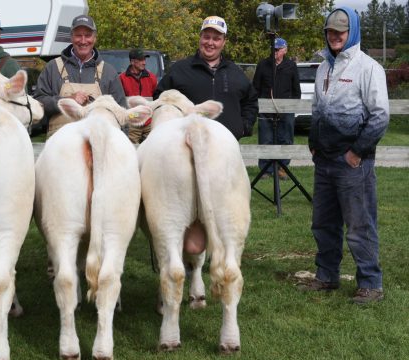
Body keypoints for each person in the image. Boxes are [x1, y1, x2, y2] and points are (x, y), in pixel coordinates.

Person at [299, 7, 389, 304]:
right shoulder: (324, 66)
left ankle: (370, 283)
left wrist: (356, 152)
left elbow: (379, 117)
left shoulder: (368, 67)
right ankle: (326, 276)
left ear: (352, 32)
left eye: (340, 31)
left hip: (353, 163)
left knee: (360, 225)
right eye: (330, 31)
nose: (334, 36)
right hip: (324, 160)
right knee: (323, 223)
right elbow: (317, 110)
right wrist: (313, 143)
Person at [154, 16, 258, 141]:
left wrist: (244, 126)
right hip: (186, 148)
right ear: (200, 38)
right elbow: (160, 99)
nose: (210, 43)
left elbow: (250, 102)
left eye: (216, 39)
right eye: (206, 37)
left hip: (226, 147)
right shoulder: (179, 70)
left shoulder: (236, 73)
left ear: (224, 42)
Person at [34, 14, 127, 137]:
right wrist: (66, 101)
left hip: (96, 146)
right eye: (78, 35)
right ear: (71, 38)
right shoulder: (53, 68)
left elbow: (122, 115)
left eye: (88, 35)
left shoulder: (108, 72)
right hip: (60, 147)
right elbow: (38, 103)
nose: (83, 41)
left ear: (95, 38)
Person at [252, 37, 301, 179]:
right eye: (273, 49)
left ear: (284, 50)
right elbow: (256, 87)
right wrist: (258, 105)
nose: (274, 52)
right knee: (265, 139)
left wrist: (292, 106)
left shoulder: (291, 66)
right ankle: (265, 170)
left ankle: (283, 168)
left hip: (286, 110)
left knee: (285, 139)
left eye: (277, 49)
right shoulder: (263, 65)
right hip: (266, 110)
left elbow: (296, 89)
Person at [119, 49, 157, 143]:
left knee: (151, 149)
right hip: (132, 121)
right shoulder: (121, 78)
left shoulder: (152, 77)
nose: (144, 62)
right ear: (132, 62)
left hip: (149, 121)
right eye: (140, 60)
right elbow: (120, 102)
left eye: (144, 59)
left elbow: (156, 98)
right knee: (131, 149)